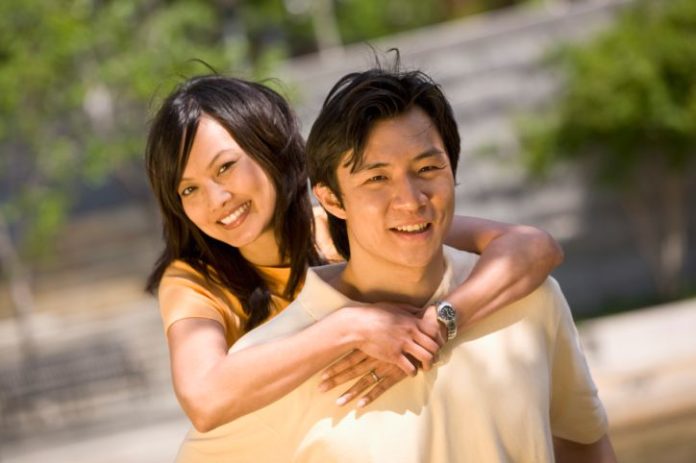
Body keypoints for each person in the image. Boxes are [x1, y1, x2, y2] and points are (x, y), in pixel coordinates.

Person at [174, 64, 616, 462]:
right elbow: (206, 397)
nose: (410, 199)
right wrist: (352, 328)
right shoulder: (266, 364)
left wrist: (438, 323)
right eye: (377, 178)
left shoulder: (525, 295)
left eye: (427, 169)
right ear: (331, 197)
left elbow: (582, 443)